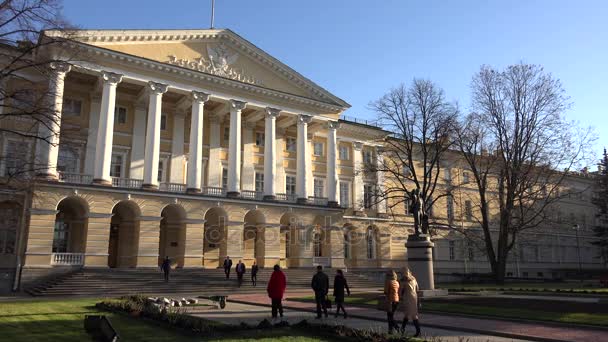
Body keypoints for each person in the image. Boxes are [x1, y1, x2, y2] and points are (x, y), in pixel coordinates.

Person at [400, 268, 421, 337]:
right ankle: (402, 329)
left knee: (410, 315)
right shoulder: (414, 279)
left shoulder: (404, 281)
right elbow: (417, 288)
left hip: (407, 298)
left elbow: (400, 291)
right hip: (414, 298)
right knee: (410, 314)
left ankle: (418, 331)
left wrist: (400, 297)